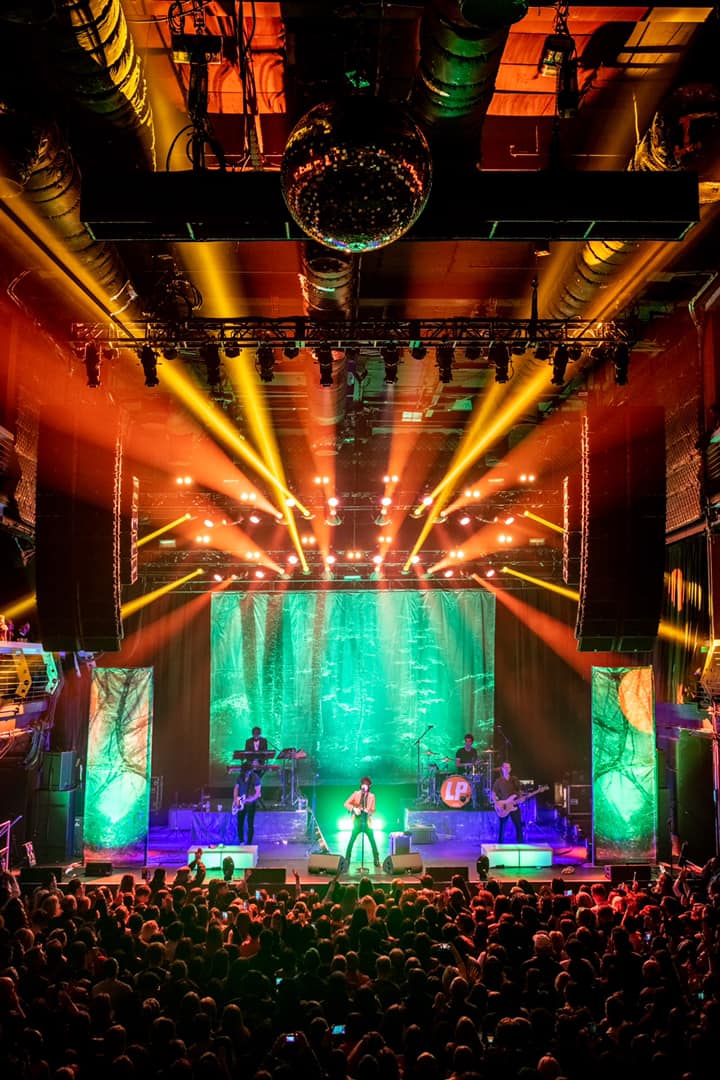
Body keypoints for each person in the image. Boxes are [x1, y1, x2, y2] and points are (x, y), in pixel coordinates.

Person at [343, 776, 381, 870]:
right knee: (352, 840)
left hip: (366, 820)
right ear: (361, 785)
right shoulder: (356, 794)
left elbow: (373, 809)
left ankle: (376, 859)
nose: (364, 786)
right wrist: (354, 808)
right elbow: (346, 803)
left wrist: (369, 811)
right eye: (363, 784)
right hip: (357, 820)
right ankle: (347, 860)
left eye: (367, 784)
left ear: (369, 786)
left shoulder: (372, 796)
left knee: (372, 840)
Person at [491, 760, 524, 843]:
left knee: (518, 826)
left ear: (510, 769)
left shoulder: (515, 780)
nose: (506, 769)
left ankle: (521, 845)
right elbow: (493, 793)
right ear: (502, 768)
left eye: (508, 767)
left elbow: (519, 791)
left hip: (514, 806)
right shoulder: (498, 781)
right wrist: (496, 803)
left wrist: (521, 798)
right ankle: (500, 845)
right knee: (502, 827)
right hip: (504, 807)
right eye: (505, 767)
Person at [233, 762, 262, 844]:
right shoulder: (240, 777)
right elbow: (236, 788)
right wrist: (235, 799)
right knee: (240, 823)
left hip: (251, 804)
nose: (245, 773)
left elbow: (257, 793)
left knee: (250, 824)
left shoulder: (255, 778)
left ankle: (249, 843)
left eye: (247, 771)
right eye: (244, 771)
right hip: (240, 802)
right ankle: (241, 841)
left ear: (250, 771)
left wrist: (249, 799)